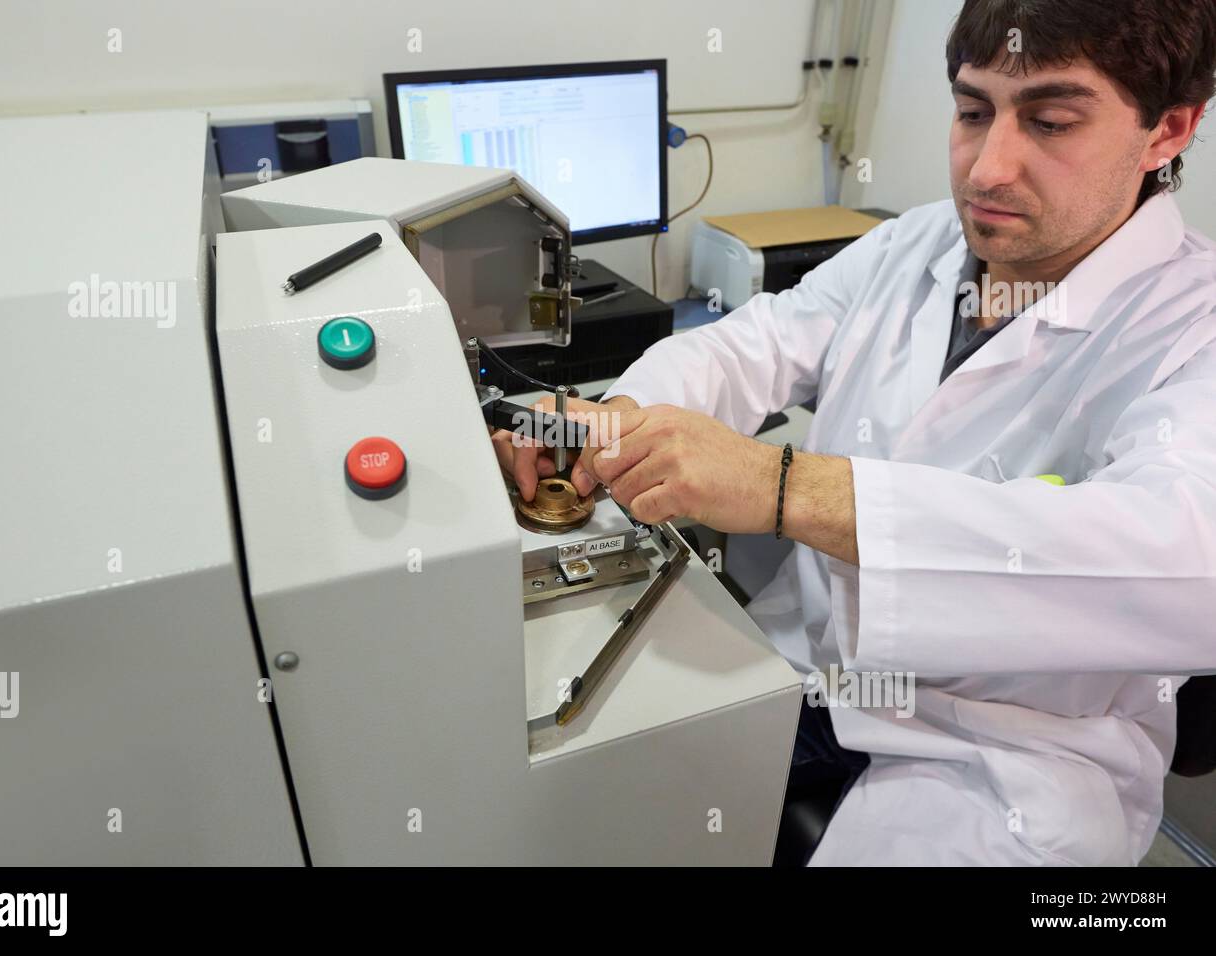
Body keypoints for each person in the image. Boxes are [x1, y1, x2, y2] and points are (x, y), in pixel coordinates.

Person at [492, 0, 1216, 865]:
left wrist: (786, 486)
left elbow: (1186, 561)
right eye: (973, 111)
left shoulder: (1192, 326)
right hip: (806, 672)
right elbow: (750, 344)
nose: (987, 169)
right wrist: (618, 423)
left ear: (1167, 130)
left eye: (1052, 121)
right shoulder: (916, 245)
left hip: (1008, 759)